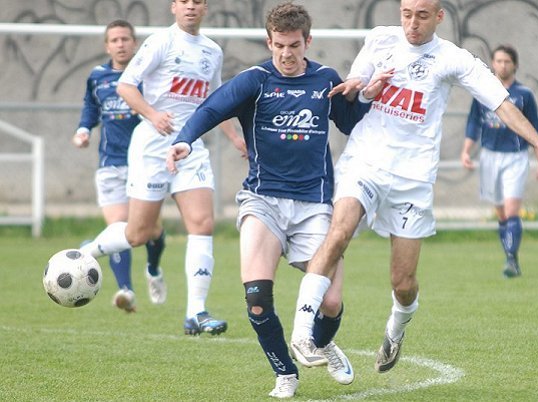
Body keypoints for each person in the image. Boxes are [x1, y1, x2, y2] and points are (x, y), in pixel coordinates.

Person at [289, 0, 538, 376]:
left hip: (412, 179)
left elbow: (501, 102)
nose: (412, 23)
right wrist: (361, 89)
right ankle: (302, 334)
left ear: (439, 17)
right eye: (406, 13)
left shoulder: (453, 59)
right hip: (365, 162)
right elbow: (356, 92)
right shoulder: (379, 40)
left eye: (422, 15)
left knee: (403, 282)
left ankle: (396, 328)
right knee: (339, 232)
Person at [167, 2, 374, 398]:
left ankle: (322, 341)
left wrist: (364, 96)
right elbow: (212, 108)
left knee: (330, 301)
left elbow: (348, 123)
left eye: (294, 45)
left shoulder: (325, 79)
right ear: (269, 41)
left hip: (315, 205)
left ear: (307, 41)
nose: (286, 54)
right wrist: (182, 140)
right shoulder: (256, 80)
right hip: (263, 201)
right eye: (279, 45)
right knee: (258, 299)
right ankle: (285, 372)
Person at [80, 0, 246, 335]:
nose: (190, 7)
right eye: (184, 1)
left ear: (205, 8)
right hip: (152, 148)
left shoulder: (212, 51)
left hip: (190, 147)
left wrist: (236, 138)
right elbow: (126, 85)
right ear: (174, 6)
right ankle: (83, 254)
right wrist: (153, 114)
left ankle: (196, 313)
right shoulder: (160, 42)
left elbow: (215, 102)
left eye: (197, 2)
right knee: (137, 233)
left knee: (202, 222)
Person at [72, 20, 166, 313]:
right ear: (107, 45)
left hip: (144, 162)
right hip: (110, 165)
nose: (121, 44)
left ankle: (152, 269)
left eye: (126, 38)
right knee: (119, 228)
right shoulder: (97, 76)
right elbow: (91, 107)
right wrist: (84, 129)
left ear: (134, 43)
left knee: (150, 231)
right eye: (115, 40)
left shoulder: (146, 76)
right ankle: (126, 290)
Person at [461, 44, 538, 278]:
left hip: (516, 157)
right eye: (498, 61)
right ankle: (511, 256)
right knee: (500, 213)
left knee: (511, 210)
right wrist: (466, 151)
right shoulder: (483, 91)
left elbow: (535, 129)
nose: (502, 65)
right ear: (492, 63)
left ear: (515, 65)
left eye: (507, 61)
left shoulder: (524, 94)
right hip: (489, 156)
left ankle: (511, 259)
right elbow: (473, 122)